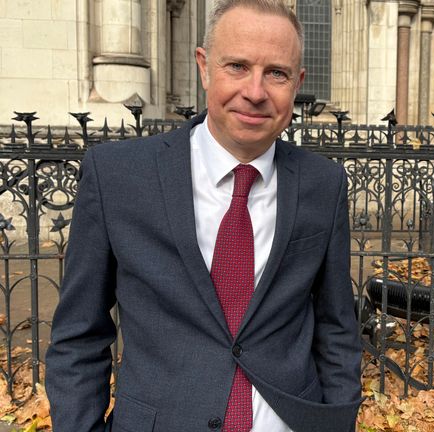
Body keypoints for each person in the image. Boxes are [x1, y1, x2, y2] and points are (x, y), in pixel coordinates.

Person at [44, 1, 362, 431]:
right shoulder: (118, 175)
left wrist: (338, 421)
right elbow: (79, 334)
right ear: (204, 66)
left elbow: (336, 327)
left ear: (297, 83)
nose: (255, 91)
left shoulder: (324, 184)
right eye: (237, 65)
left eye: (277, 73)